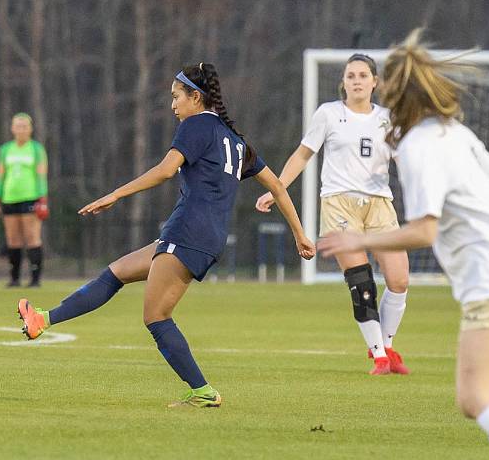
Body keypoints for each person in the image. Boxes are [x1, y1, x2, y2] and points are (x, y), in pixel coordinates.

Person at [17, 62, 315, 407]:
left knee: (156, 317)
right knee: (116, 272)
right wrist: (299, 234)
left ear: (195, 96)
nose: (173, 105)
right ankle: (43, 319)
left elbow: (164, 171)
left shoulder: (196, 125)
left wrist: (115, 194)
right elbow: (277, 185)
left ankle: (203, 391)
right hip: (203, 234)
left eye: (176, 97)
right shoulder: (235, 140)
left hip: (189, 231)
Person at [318, 29, 489, 442]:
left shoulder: (418, 145)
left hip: (485, 282)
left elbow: (424, 230)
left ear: (393, 92)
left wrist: (359, 241)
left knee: (474, 398)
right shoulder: (458, 134)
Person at [255, 53, 411, 375]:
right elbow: (301, 156)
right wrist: (277, 189)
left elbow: (405, 163)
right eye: (350, 76)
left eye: (362, 75)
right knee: (361, 280)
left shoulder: (387, 118)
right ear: (343, 82)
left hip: (380, 204)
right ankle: (380, 356)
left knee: (399, 279)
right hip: (339, 203)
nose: (356, 81)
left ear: (374, 82)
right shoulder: (328, 114)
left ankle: (388, 345)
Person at [0, 113, 49, 288]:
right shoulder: (6, 149)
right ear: (12, 128)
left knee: (32, 237)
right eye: (17, 126)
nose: (21, 129)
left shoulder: (36, 149)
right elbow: (0, 175)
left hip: (30, 197)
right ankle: (14, 278)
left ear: (30, 129)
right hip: (9, 198)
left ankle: (35, 279)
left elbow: (41, 175)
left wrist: (42, 198)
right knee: (13, 239)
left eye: (24, 126)